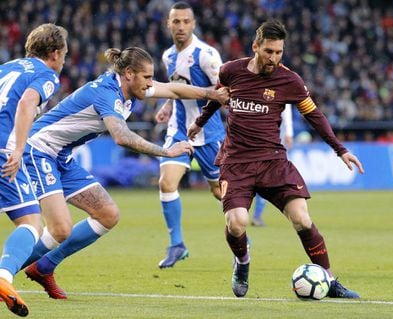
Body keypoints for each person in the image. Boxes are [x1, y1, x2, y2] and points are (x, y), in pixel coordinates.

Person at [20, 46, 228, 299]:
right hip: (38, 151)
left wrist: (210, 94)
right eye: (148, 77)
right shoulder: (107, 94)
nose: (151, 84)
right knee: (60, 228)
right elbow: (121, 136)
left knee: (107, 214)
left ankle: (44, 266)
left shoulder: (130, 86)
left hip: (60, 157)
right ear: (129, 73)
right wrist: (167, 152)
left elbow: (173, 89)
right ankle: (3, 274)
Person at [188, 20, 365, 299]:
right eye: (269, 51)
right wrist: (199, 123)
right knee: (237, 223)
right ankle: (243, 262)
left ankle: (329, 281)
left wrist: (340, 149)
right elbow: (216, 97)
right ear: (255, 47)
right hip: (236, 161)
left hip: (273, 161)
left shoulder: (289, 80)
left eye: (279, 52)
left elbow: (314, 116)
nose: (273, 58)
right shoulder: (230, 71)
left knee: (302, 219)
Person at [0, 23, 68, 317]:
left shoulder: (7, 67)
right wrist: (17, 149)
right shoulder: (46, 74)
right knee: (30, 222)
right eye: (64, 54)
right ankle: (3, 278)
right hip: (3, 150)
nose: (65, 60)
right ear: (54, 53)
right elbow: (27, 102)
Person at [154, 2, 225, 268]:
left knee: (221, 193)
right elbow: (177, 87)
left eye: (185, 21)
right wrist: (168, 104)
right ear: (168, 24)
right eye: (176, 21)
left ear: (193, 24)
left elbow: (225, 89)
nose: (181, 26)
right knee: (166, 183)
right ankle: (176, 245)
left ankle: (240, 236)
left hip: (209, 134)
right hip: (178, 131)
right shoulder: (167, 56)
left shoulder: (207, 55)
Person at [251, 104, 294, 227]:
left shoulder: (279, 88)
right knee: (263, 177)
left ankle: (256, 215)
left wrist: (289, 133)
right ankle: (253, 215)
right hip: (260, 138)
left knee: (264, 177)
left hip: (272, 138)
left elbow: (286, 108)